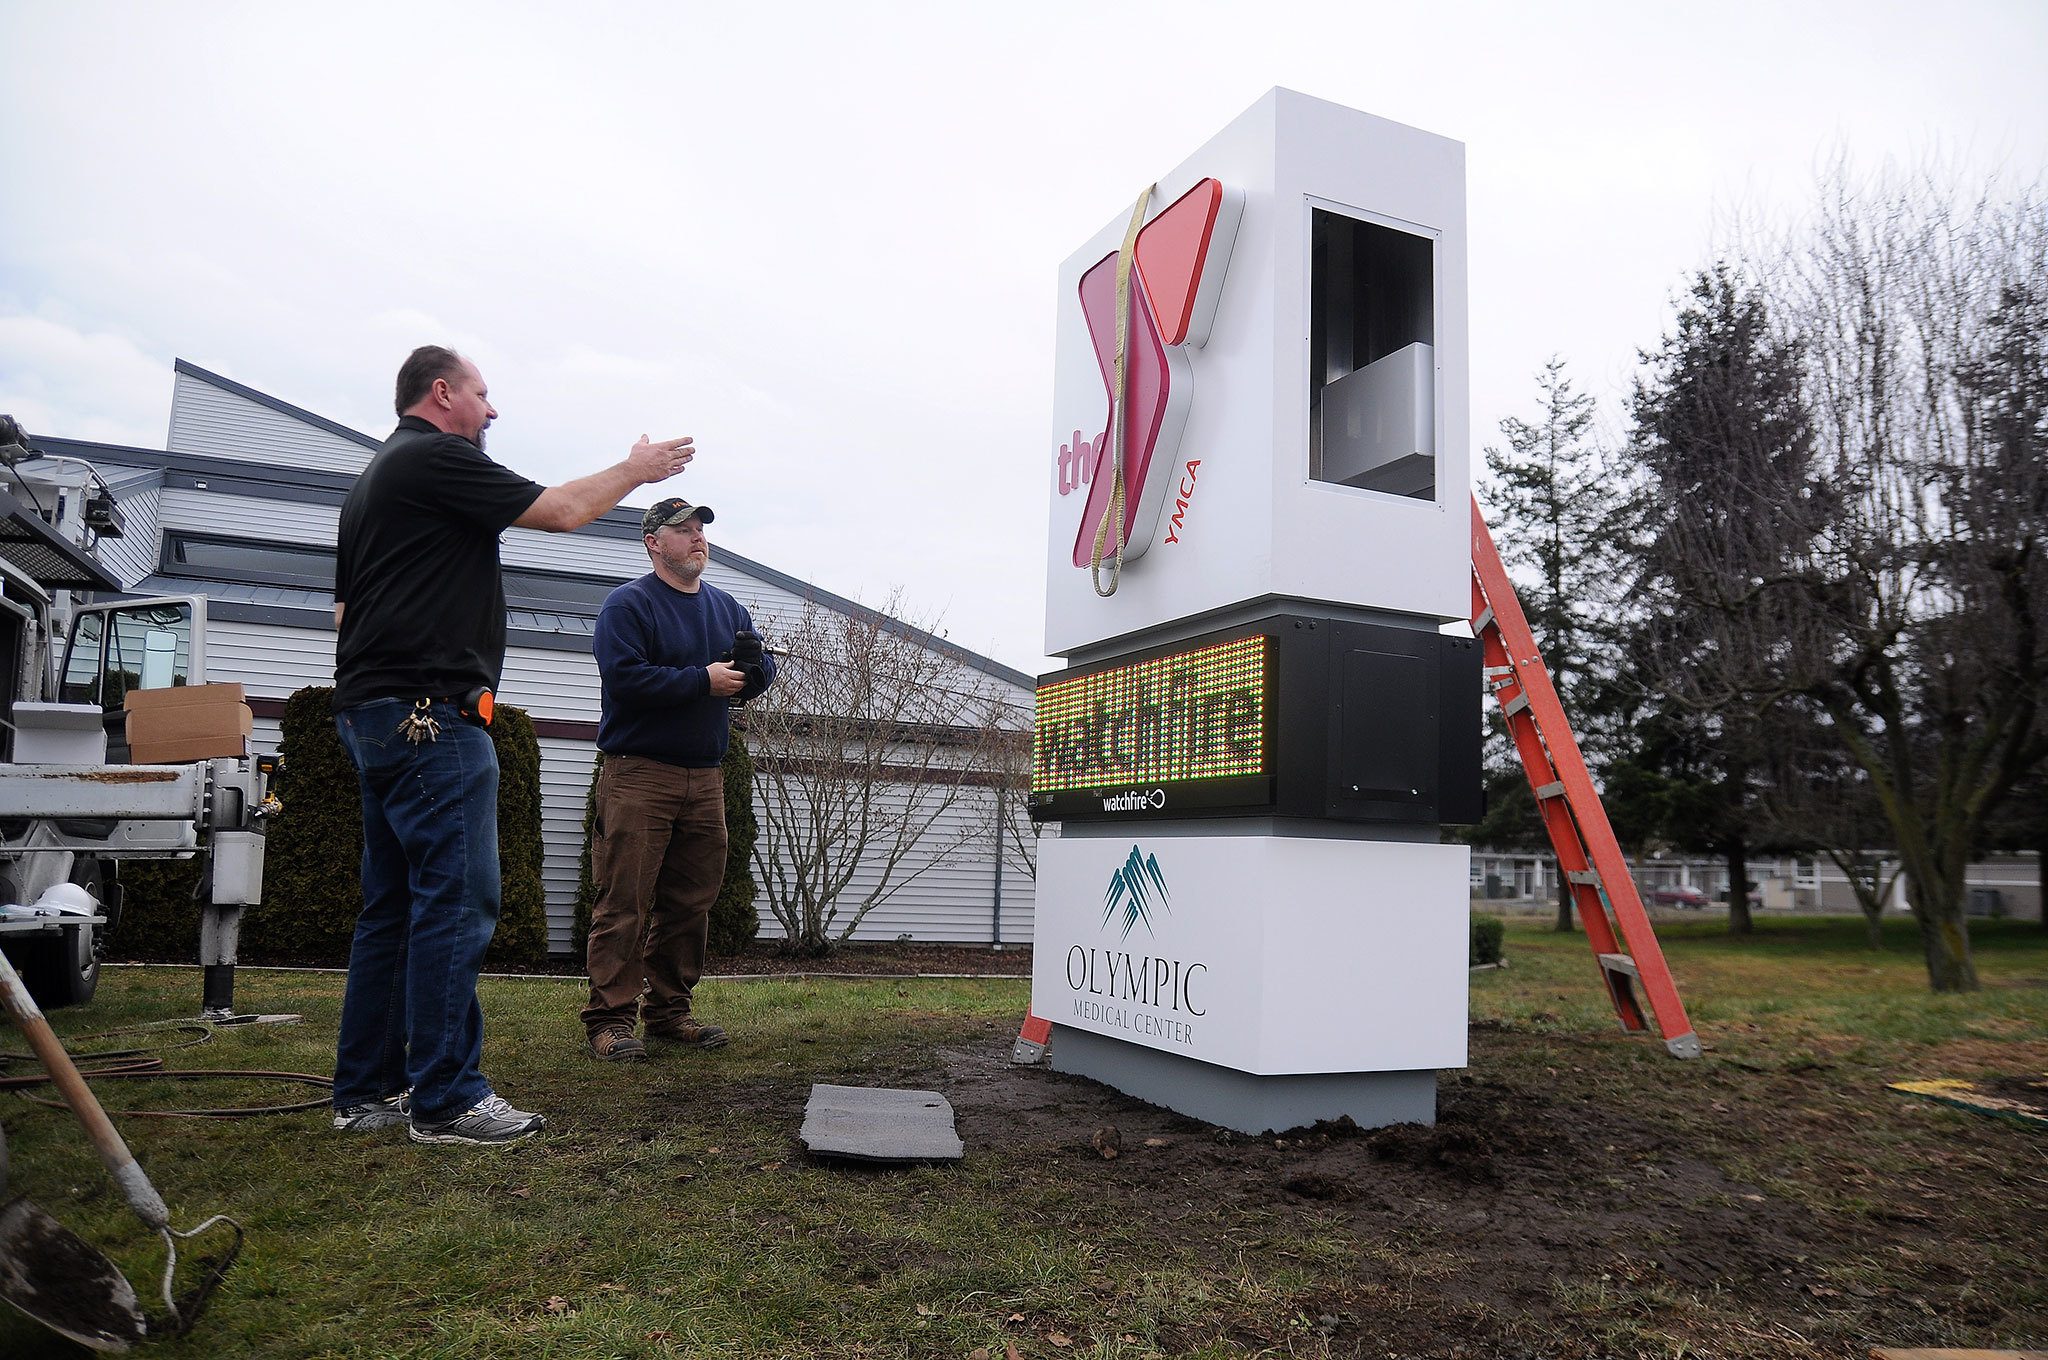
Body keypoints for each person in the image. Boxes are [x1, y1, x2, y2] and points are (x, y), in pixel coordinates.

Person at [330, 345, 694, 1144]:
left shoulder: (370, 483)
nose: (492, 410)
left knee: (393, 908)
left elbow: (344, 615)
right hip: (431, 716)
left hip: (371, 711)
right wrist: (636, 470)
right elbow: (560, 510)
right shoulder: (435, 457)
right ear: (441, 393)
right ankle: (447, 1099)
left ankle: (366, 1093)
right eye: (482, 393)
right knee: (457, 902)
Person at [582, 497, 774, 1062]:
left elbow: (756, 674)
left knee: (691, 902)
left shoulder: (726, 607)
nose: (697, 538)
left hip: (706, 776)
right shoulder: (628, 605)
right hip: (638, 774)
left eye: (700, 530)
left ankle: (669, 1013)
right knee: (624, 902)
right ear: (653, 543)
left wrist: (752, 670)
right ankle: (610, 1022)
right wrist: (701, 681)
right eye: (683, 530)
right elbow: (624, 678)